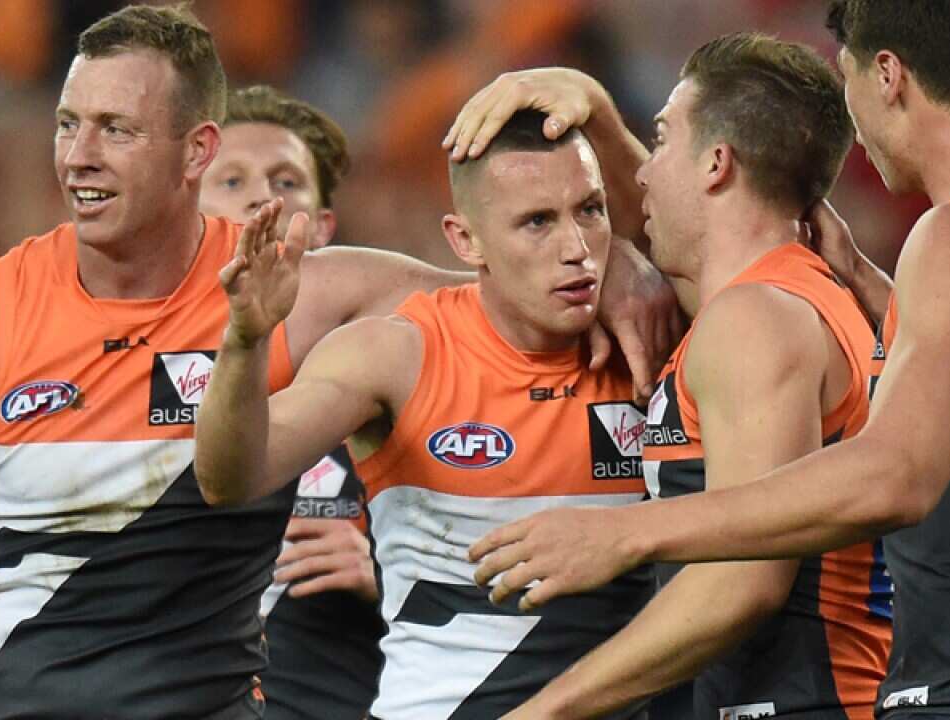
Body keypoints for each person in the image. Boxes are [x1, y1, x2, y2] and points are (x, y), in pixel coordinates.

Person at [0, 5, 675, 717]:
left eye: (116, 129)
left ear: (194, 149)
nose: (79, 156)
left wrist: (623, 267)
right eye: (68, 124)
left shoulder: (314, 295)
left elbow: (517, 279)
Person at [466, 2, 950, 719]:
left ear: (889, 76)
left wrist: (626, 534)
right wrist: (871, 286)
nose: (856, 132)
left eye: (851, 83)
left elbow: (896, 475)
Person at [443, 34, 890, 720]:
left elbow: (744, 583)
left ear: (716, 164)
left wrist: (543, 712)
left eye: (661, 138)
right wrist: (591, 105)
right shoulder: (791, 299)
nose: (644, 174)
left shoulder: (755, 322)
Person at [194, 110, 654, 719]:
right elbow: (230, 477)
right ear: (466, 241)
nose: (576, 249)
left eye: (590, 210)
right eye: (537, 222)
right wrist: (246, 342)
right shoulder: (395, 353)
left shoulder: (655, 344)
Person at [201, 84, 382, 720]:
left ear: (325, 227)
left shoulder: (400, 383)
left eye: (286, 180)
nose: (261, 197)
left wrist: (383, 576)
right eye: (230, 180)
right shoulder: (122, 380)